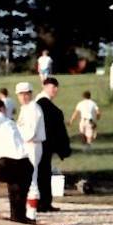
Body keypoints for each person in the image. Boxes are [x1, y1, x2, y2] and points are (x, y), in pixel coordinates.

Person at [34, 77, 71, 213]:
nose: (55, 89)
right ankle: (42, 202)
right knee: (42, 173)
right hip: (42, 144)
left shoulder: (42, 104)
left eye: (56, 87)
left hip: (43, 144)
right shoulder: (43, 105)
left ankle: (44, 201)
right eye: (52, 86)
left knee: (44, 172)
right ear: (44, 87)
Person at [14, 81, 45, 222]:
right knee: (26, 178)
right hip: (26, 145)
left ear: (30, 94)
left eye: (26, 93)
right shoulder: (25, 108)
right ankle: (27, 211)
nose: (23, 96)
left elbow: (29, 133)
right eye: (21, 94)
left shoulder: (33, 109)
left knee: (31, 178)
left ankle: (31, 214)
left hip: (32, 145)